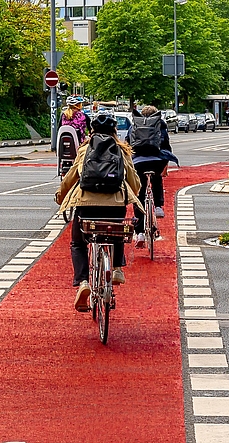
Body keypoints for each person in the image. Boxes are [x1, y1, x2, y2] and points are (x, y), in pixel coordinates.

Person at [56, 111, 142, 312]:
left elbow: (70, 177)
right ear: (114, 131)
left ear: (91, 130)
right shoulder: (122, 150)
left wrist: (60, 196)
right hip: (115, 204)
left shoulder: (85, 150)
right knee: (117, 230)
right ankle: (118, 269)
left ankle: (83, 282)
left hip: (86, 205)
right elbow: (134, 184)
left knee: (77, 243)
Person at [126, 105, 179, 247]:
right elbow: (166, 146)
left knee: (139, 194)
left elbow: (127, 146)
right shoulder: (160, 124)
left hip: (138, 163)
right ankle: (159, 206)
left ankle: (140, 233)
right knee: (156, 177)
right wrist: (165, 167)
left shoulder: (134, 126)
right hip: (157, 161)